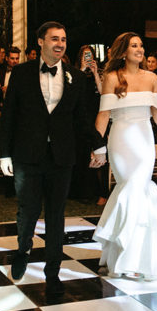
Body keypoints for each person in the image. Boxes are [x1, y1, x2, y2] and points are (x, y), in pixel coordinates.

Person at [0, 21, 105, 291]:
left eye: (64, 39)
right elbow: (9, 115)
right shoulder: (20, 73)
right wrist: (5, 154)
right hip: (26, 155)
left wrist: (99, 144)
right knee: (28, 210)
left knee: (56, 215)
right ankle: (23, 250)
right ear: (40, 42)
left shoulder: (75, 77)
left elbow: (81, 119)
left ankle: (53, 272)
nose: (60, 44)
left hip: (61, 157)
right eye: (54, 38)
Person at [92, 32, 157, 280]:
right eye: (134, 46)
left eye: (141, 45)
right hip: (121, 139)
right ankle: (127, 256)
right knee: (130, 188)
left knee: (139, 188)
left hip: (144, 141)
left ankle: (139, 256)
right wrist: (96, 146)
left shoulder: (153, 78)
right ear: (123, 51)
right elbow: (103, 116)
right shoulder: (112, 77)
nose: (140, 49)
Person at [69, 45, 108, 206]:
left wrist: (95, 73)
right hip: (79, 116)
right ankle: (83, 191)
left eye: (89, 55)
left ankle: (102, 192)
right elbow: (71, 92)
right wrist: (82, 70)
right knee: (82, 154)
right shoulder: (73, 72)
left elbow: (103, 92)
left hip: (96, 114)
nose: (87, 58)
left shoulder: (98, 72)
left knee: (98, 151)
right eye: (84, 55)